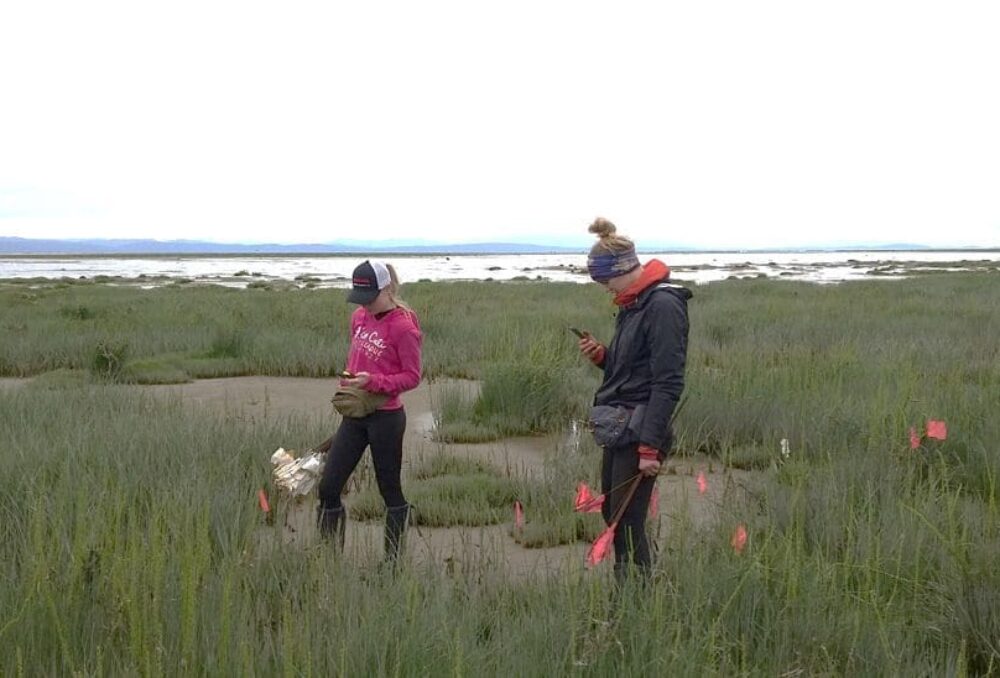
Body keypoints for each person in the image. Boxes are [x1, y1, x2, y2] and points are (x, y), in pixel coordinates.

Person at [578, 217, 692, 579]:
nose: (603, 288)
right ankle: (628, 589)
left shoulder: (662, 306)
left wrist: (649, 448)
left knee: (628, 520)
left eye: (604, 279)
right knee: (614, 512)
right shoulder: (633, 305)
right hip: (619, 428)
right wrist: (603, 357)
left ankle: (636, 598)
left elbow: (667, 382)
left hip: (641, 430)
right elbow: (630, 370)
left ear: (623, 269)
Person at [317, 260, 423, 566]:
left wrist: (374, 382)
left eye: (370, 298)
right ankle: (327, 562)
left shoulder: (404, 327)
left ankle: (391, 566)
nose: (365, 305)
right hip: (355, 416)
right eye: (360, 298)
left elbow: (413, 377)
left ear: (386, 288)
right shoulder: (359, 317)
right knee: (328, 487)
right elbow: (357, 357)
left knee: (390, 493)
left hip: (386, 419)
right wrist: (351, 382)